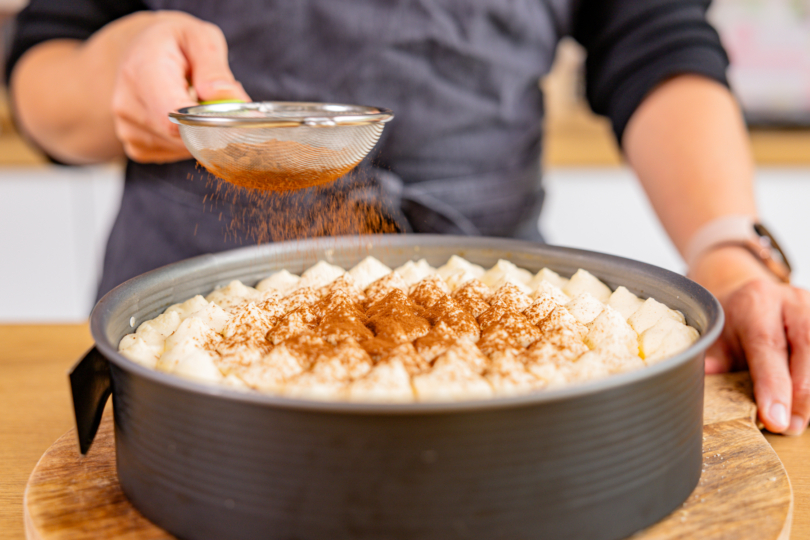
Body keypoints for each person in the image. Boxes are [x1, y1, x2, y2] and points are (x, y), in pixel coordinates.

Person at [6, 0, 810, 436]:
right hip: (189, 302)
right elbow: (45, 62)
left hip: (506, 309)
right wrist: (122, 65)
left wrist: (728, 248)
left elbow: (652, 33)